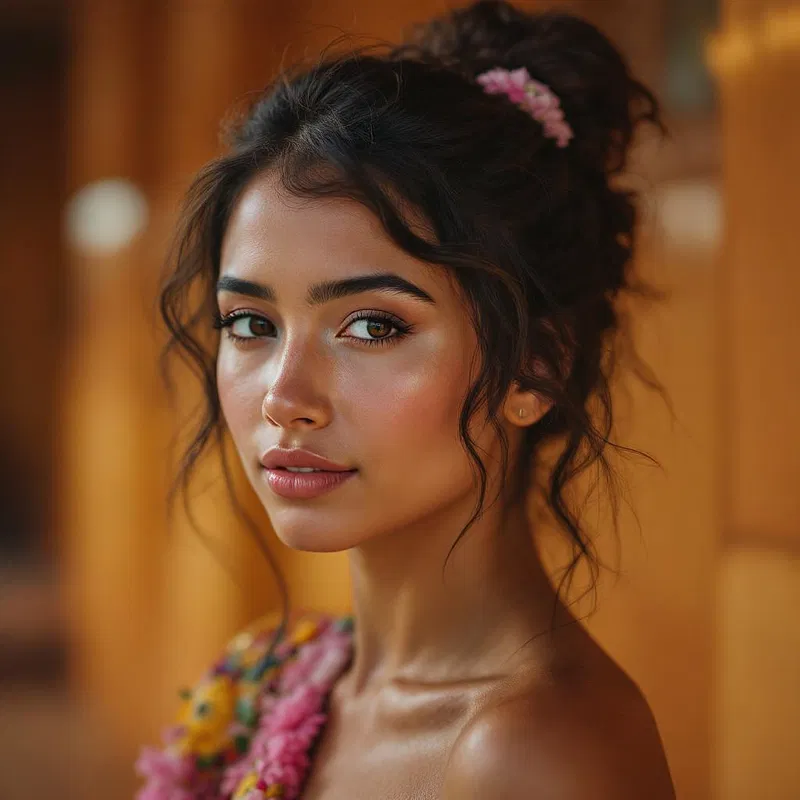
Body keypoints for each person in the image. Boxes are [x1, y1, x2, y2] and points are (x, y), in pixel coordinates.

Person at [136, 1, 676, 797]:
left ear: (536, 367)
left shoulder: (534, 754)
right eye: (251, 322)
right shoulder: (268, 675)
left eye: (372, 326)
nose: (286, 397)